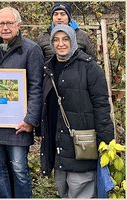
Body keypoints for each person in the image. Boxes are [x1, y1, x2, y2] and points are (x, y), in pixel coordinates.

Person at [39, 24, 114, 198]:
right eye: (56, 40)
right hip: (58, 146)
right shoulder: (48, 68)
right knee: (63, 191)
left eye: (65, 39)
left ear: (73, 41)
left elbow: (102, 106)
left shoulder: (90, 68)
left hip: (82, 146)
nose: (61, 44)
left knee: (82, 191)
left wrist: (106, 142)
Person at [0, 7, 43, 198]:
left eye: (9, 23)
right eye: (1, 23)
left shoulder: (31, 49)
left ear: (18, 25)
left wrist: (30, 120)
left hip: (18, 123)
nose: (5, 27)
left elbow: (36, 87)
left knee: (19, 169)